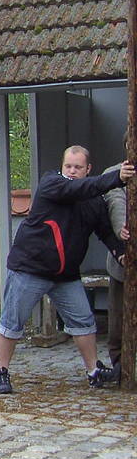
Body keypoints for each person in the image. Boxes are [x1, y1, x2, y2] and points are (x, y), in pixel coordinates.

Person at [0, 147, 132, 394]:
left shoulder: (94, 201)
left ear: (88, 169)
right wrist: (116, 178)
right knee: (12, 322)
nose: (72, 171)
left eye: (78, 167)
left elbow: (105, 232)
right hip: (30, 268)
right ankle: (1, 372)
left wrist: (119, 251)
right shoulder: (52, 183)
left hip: (66, 275)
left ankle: (93, 372)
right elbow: (79, 189)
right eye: (68, 166)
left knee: (84, 322)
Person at [104, 154, 126, 381]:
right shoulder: (115, 172)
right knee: (118, 321)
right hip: (123, 263)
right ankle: (120, 366)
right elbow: (115, 203)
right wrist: (123, 229)